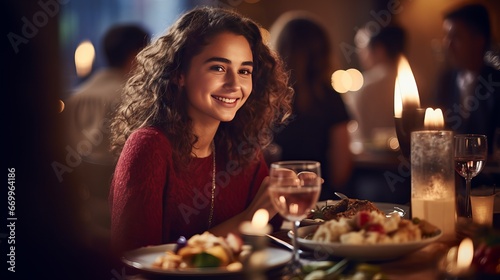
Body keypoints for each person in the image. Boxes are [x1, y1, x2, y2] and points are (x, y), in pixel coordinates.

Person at [108, 6, 294, 253]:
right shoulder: (148, 146)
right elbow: (136, 261)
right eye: (218, 67)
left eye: (244, 71)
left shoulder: (243, 149)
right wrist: (250, 217)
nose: (234, 84)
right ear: (179, 74)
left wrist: (287, 199)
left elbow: (273, 238)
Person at [63, 24, 150, 249]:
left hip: (82, 203)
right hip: (123, 204)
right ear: (136, 55)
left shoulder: (77, 95)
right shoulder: (135, 98)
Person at [269, 11, 352, 200]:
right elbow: (341, 171)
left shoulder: (262, 99)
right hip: (318, 202)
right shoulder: (330, 100)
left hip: (270, 200)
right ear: (322, 53)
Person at [435, 3, 500, 156]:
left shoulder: (496, 83)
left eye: (455, 37)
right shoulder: (444, 80)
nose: (447, 44)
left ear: (479, 40)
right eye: (446, 36)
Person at [347, 23, 406, 149]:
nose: (360, 55)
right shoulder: (421, 82)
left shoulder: (366, 86)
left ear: (379, 49)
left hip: (372, 161)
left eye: (363, 49)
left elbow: (359, 134)